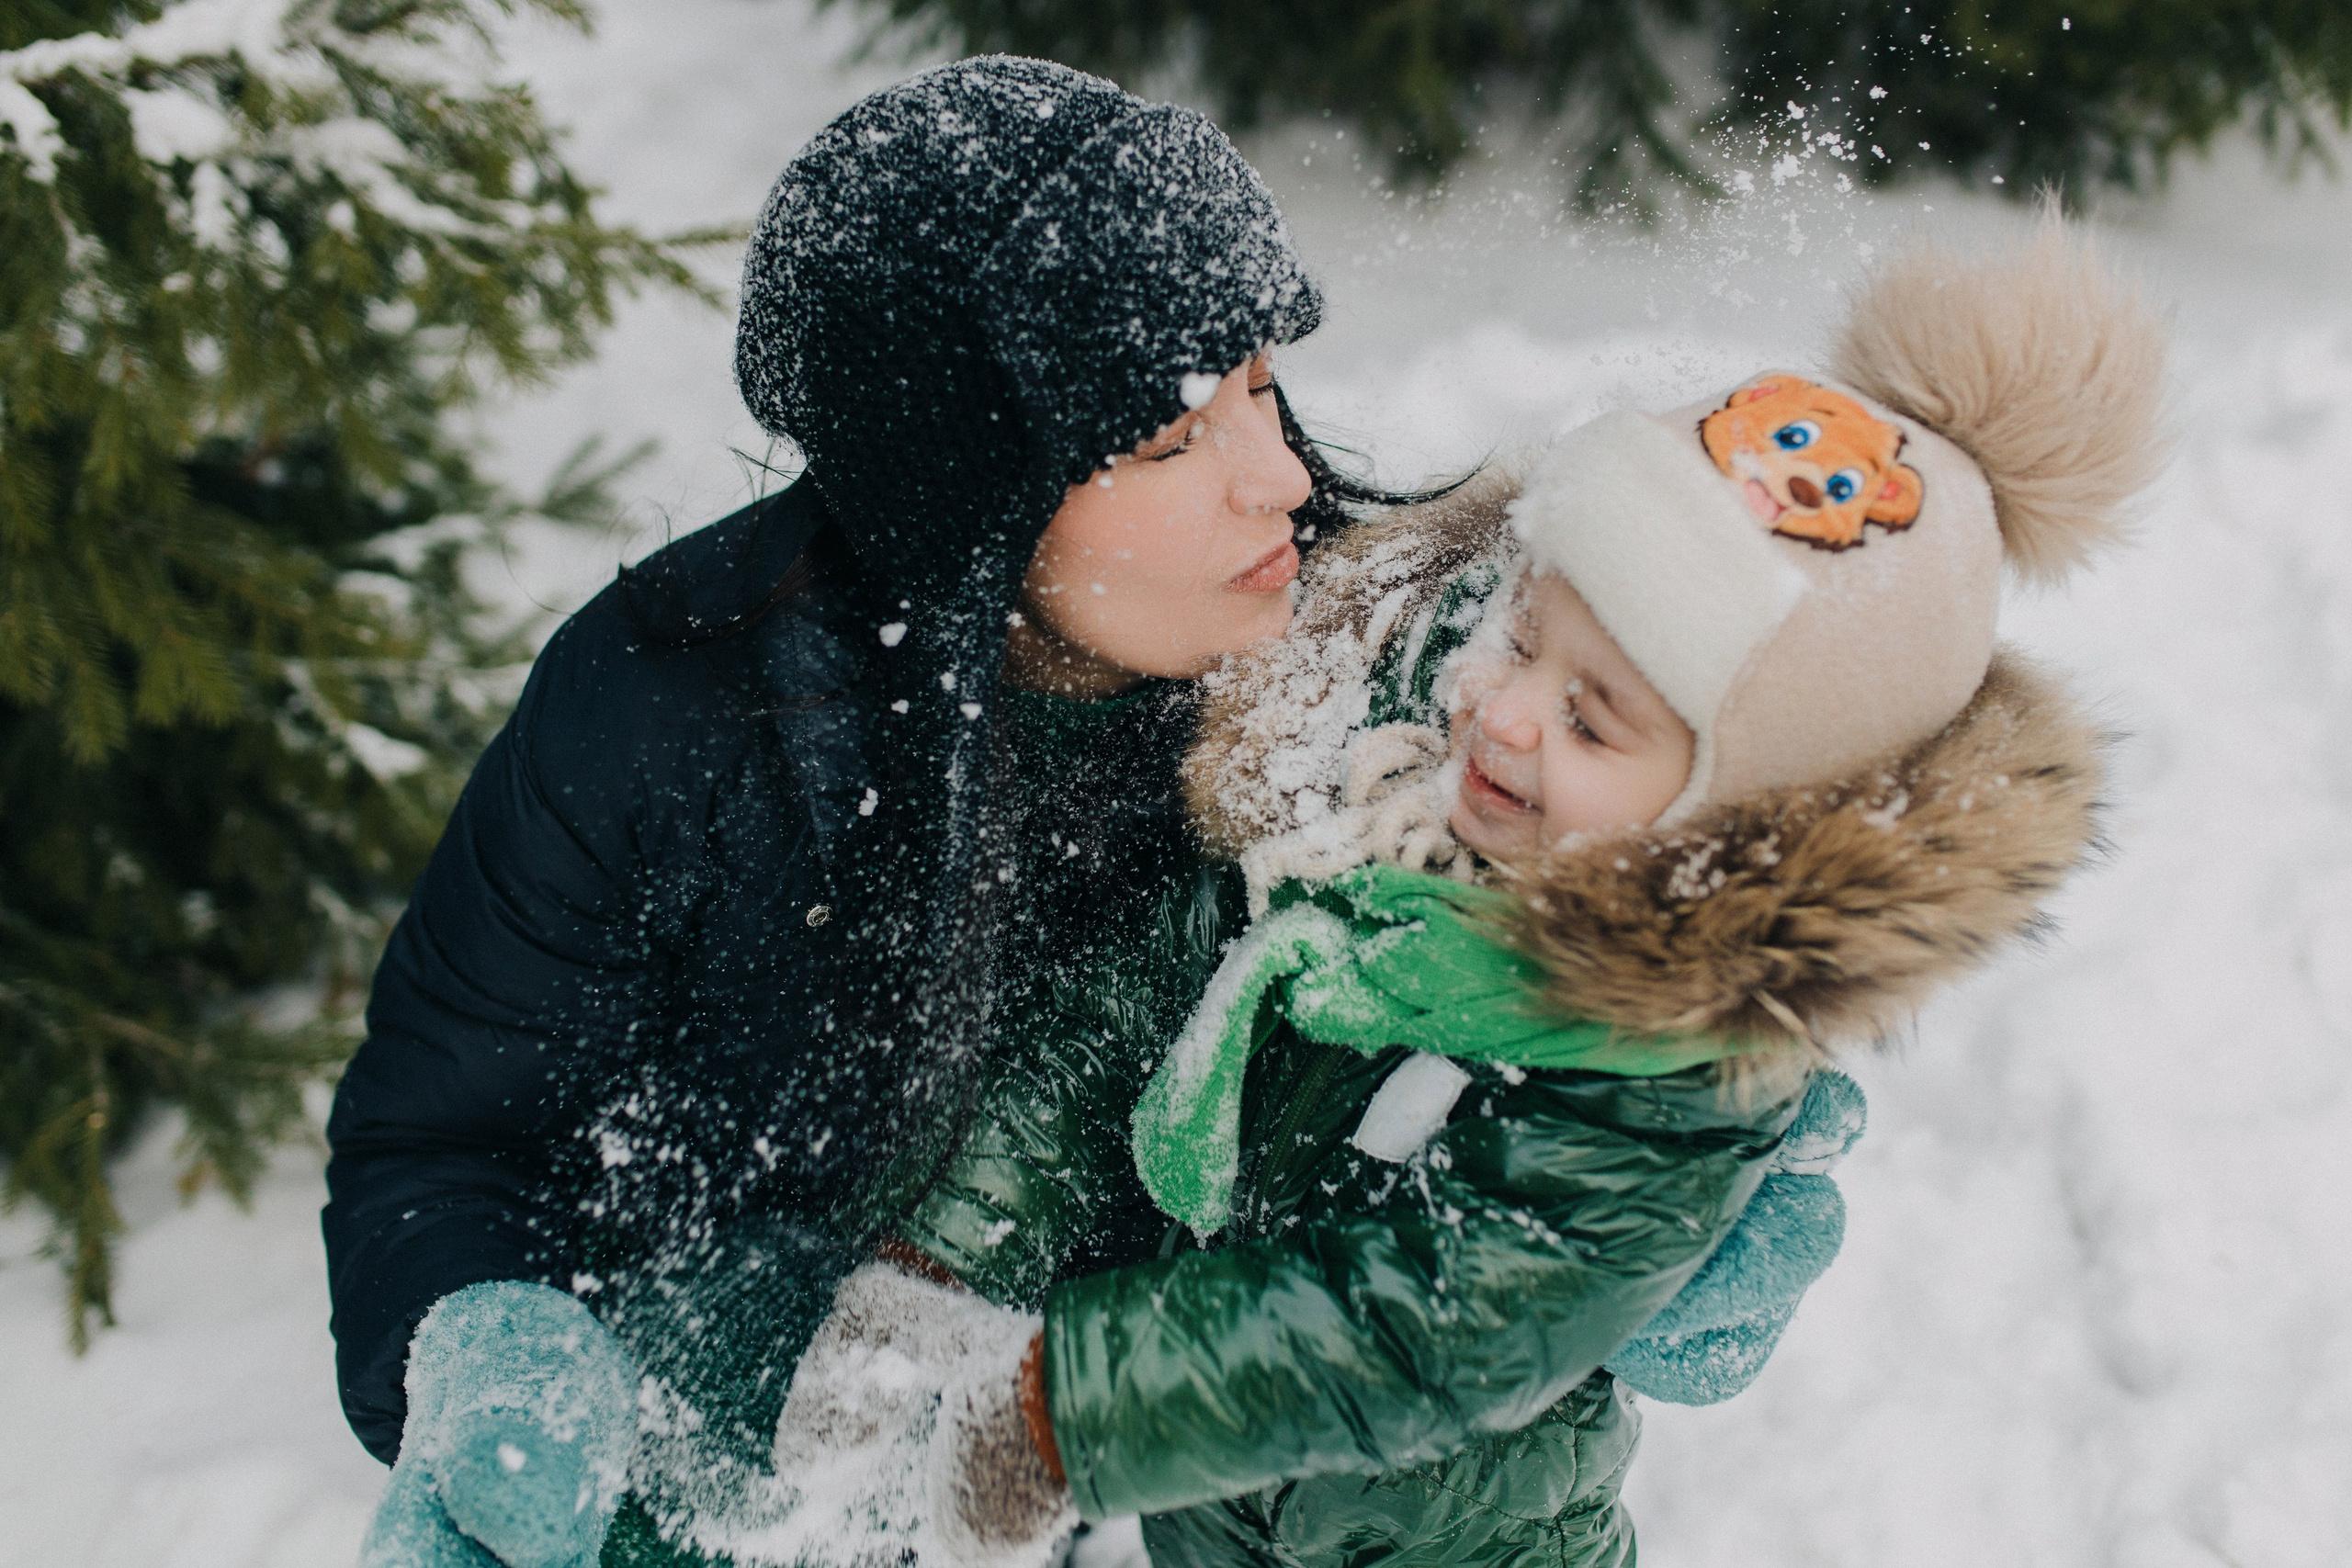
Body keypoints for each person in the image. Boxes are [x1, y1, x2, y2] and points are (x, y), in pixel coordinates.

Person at [771, 219, 2165, 1568]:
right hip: (1223, 1514)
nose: (1501, 716)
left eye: (1597, 721)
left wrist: (1065, 1418)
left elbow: (1435, 1323)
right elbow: (1133, 1012)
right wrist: (944, 1266)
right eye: (1520, 635)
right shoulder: (1380, 821)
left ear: (1738, 810)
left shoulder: (1660, 1065)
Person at [334, 55, 1431, 1568]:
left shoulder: (1407, 695)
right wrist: (492, 1349)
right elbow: (447, 1140)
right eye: (1170, 438)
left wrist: (1664, 1185)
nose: (1285, 478)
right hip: (760, 1457)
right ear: (968, 494)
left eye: (1259, 385)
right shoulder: (671, 709)